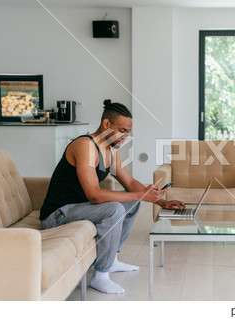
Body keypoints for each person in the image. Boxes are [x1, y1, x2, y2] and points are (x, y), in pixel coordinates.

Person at [40, 100, 185, 294]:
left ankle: (112, 259)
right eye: (123, 130)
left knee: (132, 200)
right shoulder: (85, 145)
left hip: (78, 208)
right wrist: (141, 194)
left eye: (128, 132)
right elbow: (94, 195)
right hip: (56, 215)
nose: (126, 137)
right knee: (115, 208)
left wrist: (161, 201)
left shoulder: (110, 152)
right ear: (107, 124)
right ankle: (101, 275)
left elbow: (131, 183)